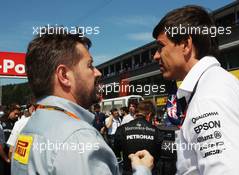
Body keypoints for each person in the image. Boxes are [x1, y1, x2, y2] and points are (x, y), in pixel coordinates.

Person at [11, 27, 153, 175]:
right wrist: (143, 170)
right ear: (64, 75)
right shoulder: (79, 138)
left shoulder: (30, 127)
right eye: (90, 65)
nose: (97, 72)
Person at [152, 5, 239, 175]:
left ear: (186, 45)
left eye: (160, 46)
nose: (156, 56)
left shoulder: (208, 94)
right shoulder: (215, 82)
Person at [114, 100, 163, 175]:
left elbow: (117, 153)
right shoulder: (157, 131)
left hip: (128, 171)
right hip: (149, 171)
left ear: (135, 113)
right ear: (149, 115)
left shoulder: (121, 129)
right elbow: (158, 156)